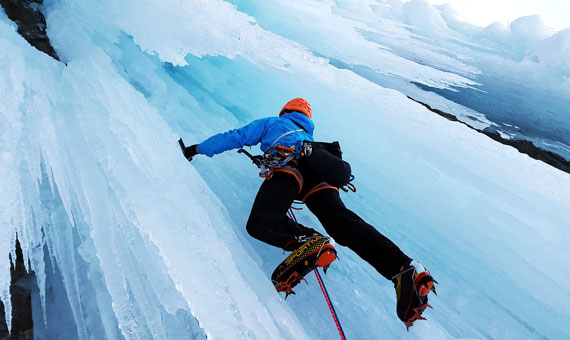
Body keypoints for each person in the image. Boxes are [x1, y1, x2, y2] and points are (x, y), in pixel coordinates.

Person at [181, 98, 436, 328]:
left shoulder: (273, 123)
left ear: (285, 112)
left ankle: (309, 240)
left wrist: (195, 150)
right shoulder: (310, 139)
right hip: (321, 176)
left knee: (261, 220)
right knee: (342, 222)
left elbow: (235, 136)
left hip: (290, 169)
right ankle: (405, 268)